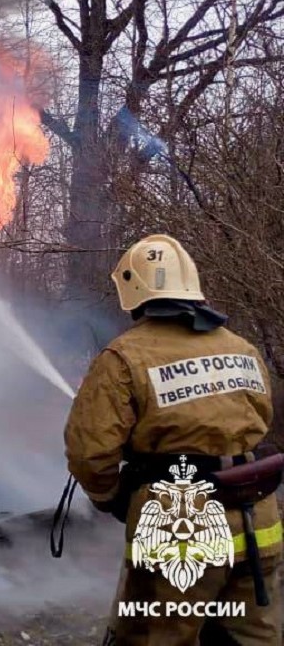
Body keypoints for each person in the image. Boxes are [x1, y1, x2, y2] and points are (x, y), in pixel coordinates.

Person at [64, 234, 283, 644]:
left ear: (132, 288)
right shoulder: (244, 349)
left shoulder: (123, 358)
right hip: (259, 528)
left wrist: (114, 497)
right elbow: (254, 421)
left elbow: (90, 453)